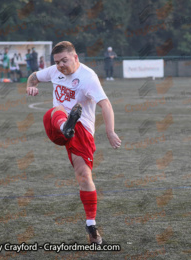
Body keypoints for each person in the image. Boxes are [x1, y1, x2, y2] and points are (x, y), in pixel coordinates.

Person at [26, 41, 121, 244]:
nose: (60, 65)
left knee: (84, 176)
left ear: (75, 57)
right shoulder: (54, 71)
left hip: (82, 131)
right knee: (56, 111)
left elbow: (105, 104)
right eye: (57, 62)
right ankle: (64, 126)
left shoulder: (88, 78)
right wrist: (30, 86)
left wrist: (111, 132)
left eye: (64, 60)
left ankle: (91, 226)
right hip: (58, 126)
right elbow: (34, 76)